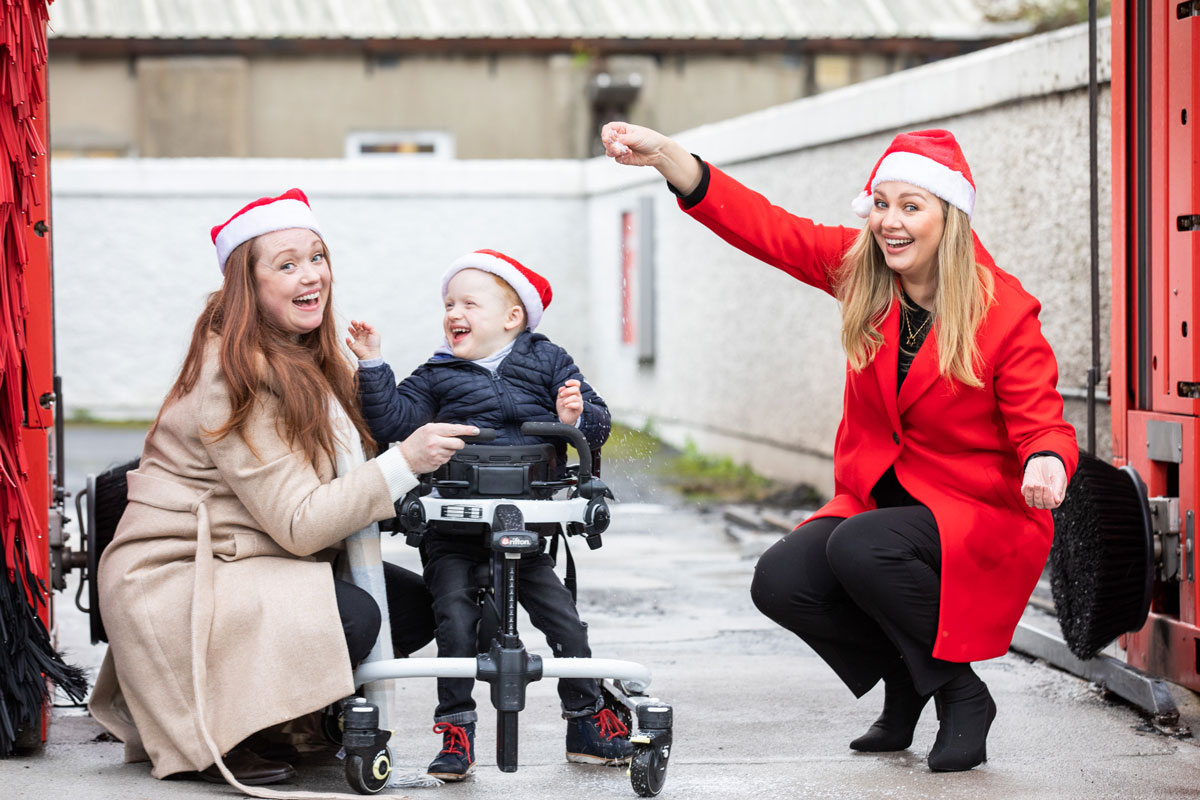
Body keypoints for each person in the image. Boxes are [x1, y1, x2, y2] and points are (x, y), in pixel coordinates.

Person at [601, 123, 1078, 772]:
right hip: (882, 500)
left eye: (912, 206)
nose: (891, 222)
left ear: (951, 218)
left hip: (977, 511)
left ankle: (962, 694)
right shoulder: (863, 273)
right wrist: (667, 158)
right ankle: (908, 678)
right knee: (783, 580)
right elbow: (764, 227)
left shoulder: (1005, 312)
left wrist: (1046, 463)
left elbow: (1041, 422)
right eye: (881, 204)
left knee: (859, 546)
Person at [88, 189, 478, 791]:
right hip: (179, 578)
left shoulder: (304, 354)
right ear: (248, 286)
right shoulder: (235, 377)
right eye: (287, 264)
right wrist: (404, 463)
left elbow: (359, 457)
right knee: (356, 616)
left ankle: (289, 718)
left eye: (317, 258)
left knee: (414, 607)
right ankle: (225, 731)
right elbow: (299, 524)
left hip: (248, 558)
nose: (310, 276)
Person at [347, 248, 632, 781]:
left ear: (512, 317)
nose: (454, 312)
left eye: (468, 303)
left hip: (526, 525)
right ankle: (456, 731)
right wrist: (372, 365)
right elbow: (392, 422)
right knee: (454, 622)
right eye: (449, 304)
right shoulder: (437, 375)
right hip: (454, 528)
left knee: (564, 621)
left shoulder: (547, 361)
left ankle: (587, 719)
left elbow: (595, 431)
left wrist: (576, 414)